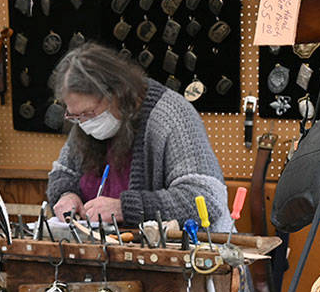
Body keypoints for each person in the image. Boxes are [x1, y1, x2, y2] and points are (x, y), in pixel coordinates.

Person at [46, 42, 233, 231]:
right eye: (75, 116)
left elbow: (206, 199)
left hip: (191, 251)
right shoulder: (84, 122)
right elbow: (62, 173)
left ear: (117, 94)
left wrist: (124, 208)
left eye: (89, 114)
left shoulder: (171, 115)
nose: (84, 123)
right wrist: (66, 194)